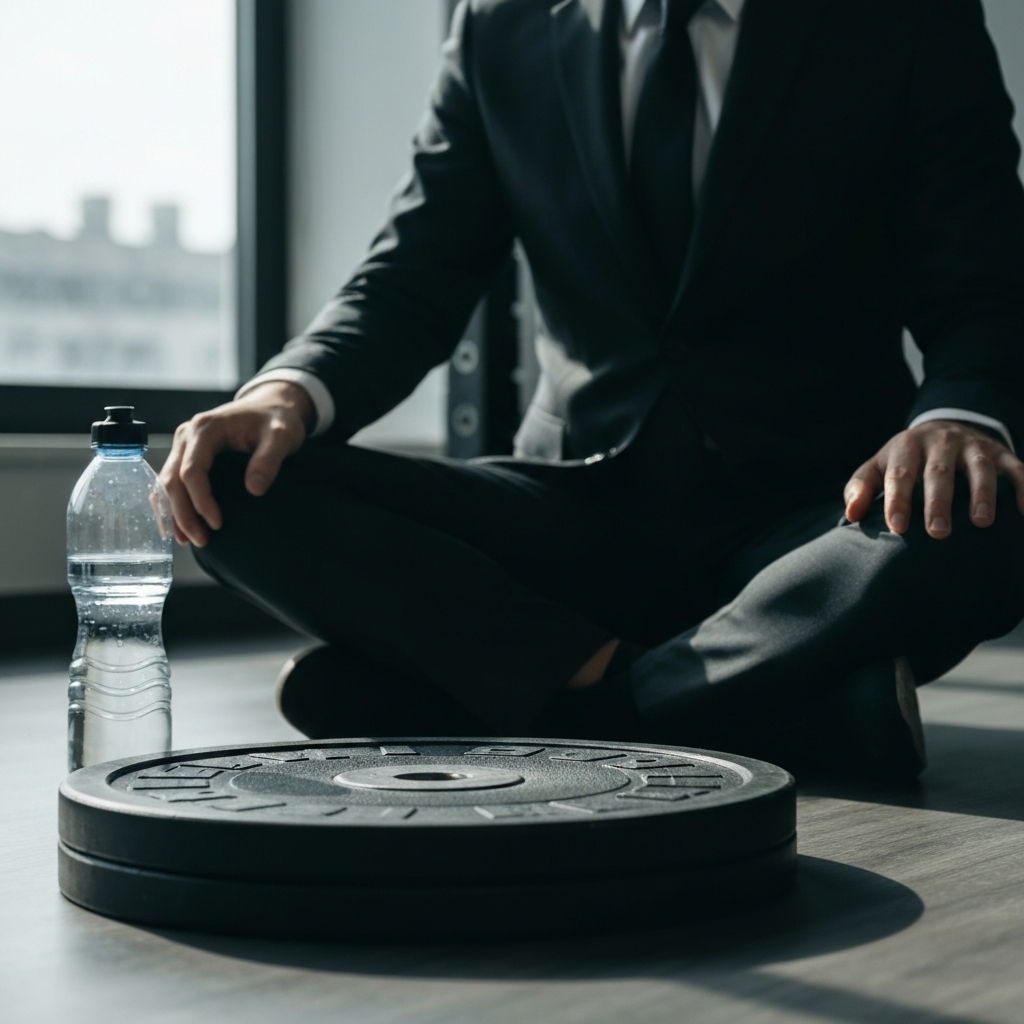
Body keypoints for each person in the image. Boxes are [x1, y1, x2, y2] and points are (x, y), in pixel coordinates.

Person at [161, 0, 1024, 780]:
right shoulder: (501, 25)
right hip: (570, 516)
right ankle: (774, 709)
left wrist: (957, 416)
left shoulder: (909, 19)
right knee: (234, 485)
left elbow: (981, 278)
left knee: (987, 517)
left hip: (811, 530)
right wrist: (287, 391)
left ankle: (566, 699)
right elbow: (411, 276)